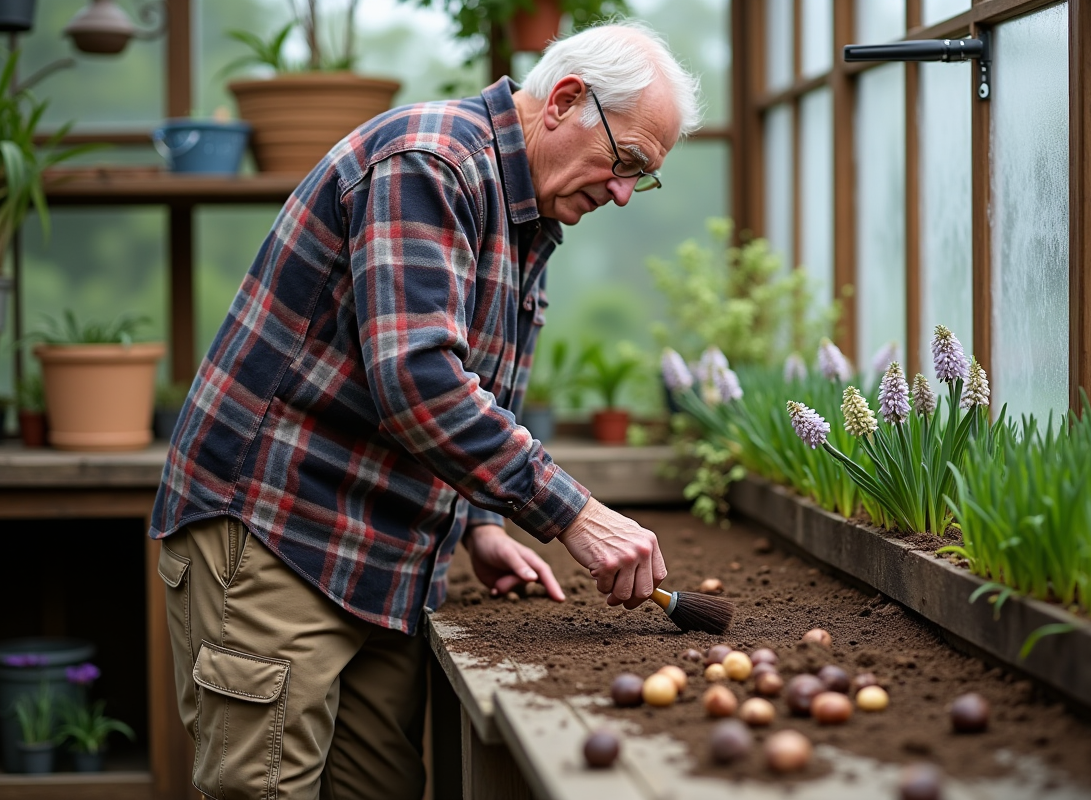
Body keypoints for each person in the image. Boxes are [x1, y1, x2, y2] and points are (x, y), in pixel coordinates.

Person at [149, 19, 702, 800]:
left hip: (384, 557)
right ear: (566, 101)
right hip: (280, 532)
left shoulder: (527, 216)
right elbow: (418, 382)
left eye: (640, 178)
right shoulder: (432, 163)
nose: (620, 193)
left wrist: (480, 522)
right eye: (627, 162)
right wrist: (574, 513)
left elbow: (481, 384)